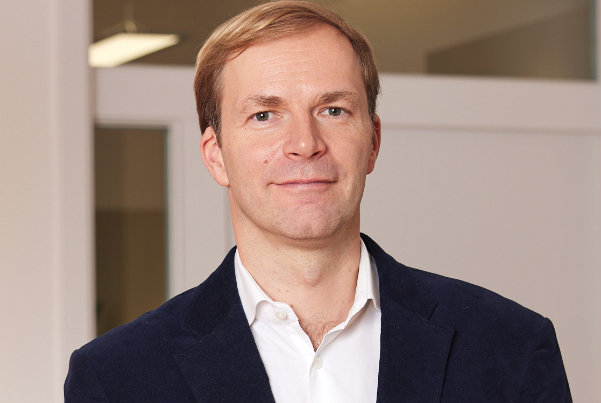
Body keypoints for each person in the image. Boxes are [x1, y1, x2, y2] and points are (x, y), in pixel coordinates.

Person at [65, 1, 572, 401]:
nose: (304, 143)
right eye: (265, 115)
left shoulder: (510, 347)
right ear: (216, 155)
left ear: (372, 142)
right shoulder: (117, 378)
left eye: (333, 109)